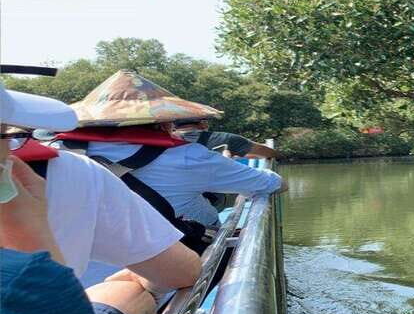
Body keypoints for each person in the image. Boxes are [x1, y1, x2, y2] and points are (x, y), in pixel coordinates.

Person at [0, 80, 201, 314]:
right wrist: (36, 244)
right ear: (163, 125)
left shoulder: (66, 159)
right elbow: (182, 272)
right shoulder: (70, 171)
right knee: (131, 290)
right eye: (6, 133)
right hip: (69, 313)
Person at [58, 70, 286, 229]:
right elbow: (275, 184)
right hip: (174, 269)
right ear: (166, 123)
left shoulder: (55, 152)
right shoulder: (187, 157)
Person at [174, 119, 282, 160]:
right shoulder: (226, 138)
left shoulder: (165, 141)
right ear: (203, 123)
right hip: (213, 197)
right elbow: (267, 152)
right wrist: (278, 155)